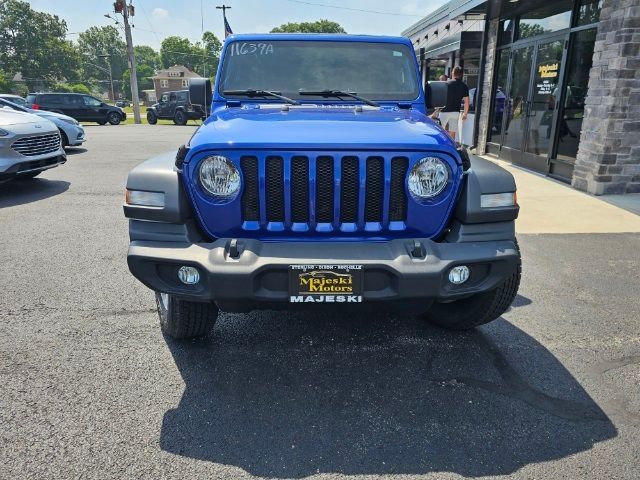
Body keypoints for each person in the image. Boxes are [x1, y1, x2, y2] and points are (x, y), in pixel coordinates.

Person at [439, 66, 469, 141]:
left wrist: (436, 110)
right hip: (456, 112)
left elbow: (440, 98)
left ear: (452, 73)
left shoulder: (446, 84)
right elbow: (467, 101)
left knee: (439, 131)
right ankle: (451, 147)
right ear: (461, 74)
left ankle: (441, 147)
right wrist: (465, 113)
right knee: (453, 131)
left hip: (444, 111)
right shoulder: (464, 86)